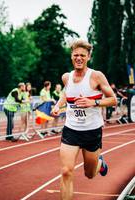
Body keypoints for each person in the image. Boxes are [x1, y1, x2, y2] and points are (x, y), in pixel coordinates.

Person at [51, 40, 117, 200]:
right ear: (71, 57)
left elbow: (113, 100)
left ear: (88, 57)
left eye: (82, 55)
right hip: (71, 130)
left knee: (90, 174)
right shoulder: (66, 77)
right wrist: (58, 105)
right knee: (66, 171)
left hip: (92, 131)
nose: (79, 58)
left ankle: (100, 164)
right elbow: (66, 93)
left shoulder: (96, 76)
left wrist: (93, 102)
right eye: (76, 55)